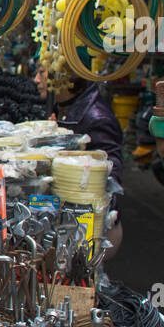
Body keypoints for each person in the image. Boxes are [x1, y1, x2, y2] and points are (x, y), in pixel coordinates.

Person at [35, 63, 124, 257]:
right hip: (68, 220)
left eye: (42, 72)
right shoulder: (66, 107)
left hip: (93, 228)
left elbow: (111, 177)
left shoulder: (97, 117)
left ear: (65, 76)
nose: (37, 79)